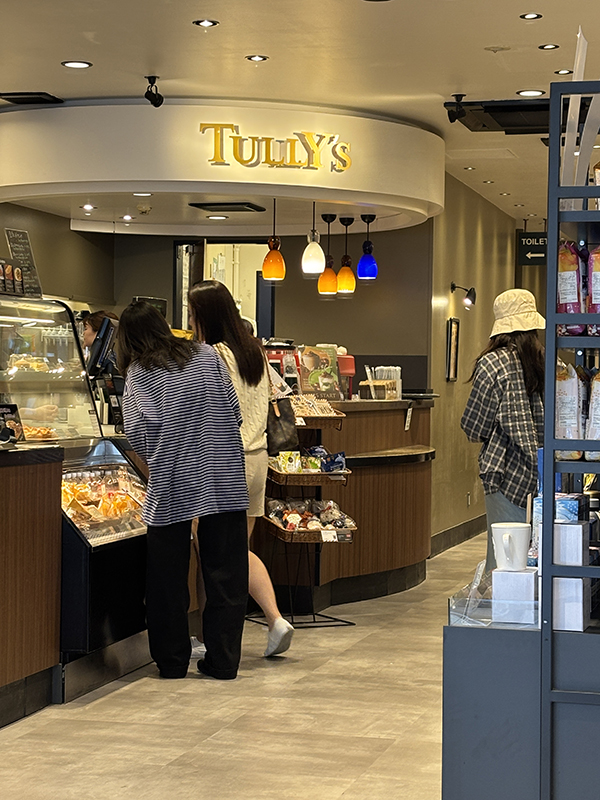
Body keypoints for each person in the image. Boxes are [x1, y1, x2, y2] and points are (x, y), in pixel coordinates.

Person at [117, 300, 249, 680]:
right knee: (226, 572)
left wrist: (162, 451)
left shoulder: (139, 373)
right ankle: (224, 661)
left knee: (167, 577)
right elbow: (234, 411)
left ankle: (172, 661)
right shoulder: (206, 355)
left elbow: (138, 431)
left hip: (172, 477)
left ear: (127, 340)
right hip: (223, 473)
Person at [188, 280, 294, 657]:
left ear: (205, 315)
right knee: (237, 550)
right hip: (257, 460)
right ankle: (273, 620)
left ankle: (210, 637)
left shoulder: (210, 355)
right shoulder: (254, 352)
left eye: (192, 313)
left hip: (223, 462)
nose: (190, 320)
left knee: (213, 553)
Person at [460, 289, 545, 571]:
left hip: (506, 473)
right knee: (540, 557)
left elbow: (474, 426)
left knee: (505, 560)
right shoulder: (548, 362)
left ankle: (506, 601)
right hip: (545, 473)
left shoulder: (492, 363)